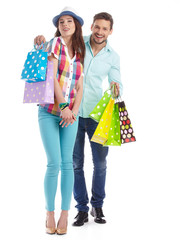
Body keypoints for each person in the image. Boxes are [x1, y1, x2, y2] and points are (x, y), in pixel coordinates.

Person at [35, 11, 123, 227]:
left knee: (100, 163)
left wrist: (116, 88)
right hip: (71, 113)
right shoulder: (78, 42)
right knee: (74, 164)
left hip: (95, 115)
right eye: (97, 27)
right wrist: (38, 43)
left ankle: (98, 205)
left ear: (110, 31)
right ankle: (81, 209)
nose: (100, 32)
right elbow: (53, 45)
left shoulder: (113, 56)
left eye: (105, 28)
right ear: (91, 27)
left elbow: (116, 82)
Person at [37, 7, 85, 234]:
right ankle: (49, 214)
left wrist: (73, 111)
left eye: (69, 21)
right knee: (54, 163)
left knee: (68, 164)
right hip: (49, 111)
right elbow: (51, 76)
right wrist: (63, 106)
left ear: (76, 26)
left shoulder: (80, 50)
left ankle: (65, 215)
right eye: (61, 22)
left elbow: (79, 86)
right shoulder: (54, 44)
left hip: (70, 115)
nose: (65, 25)